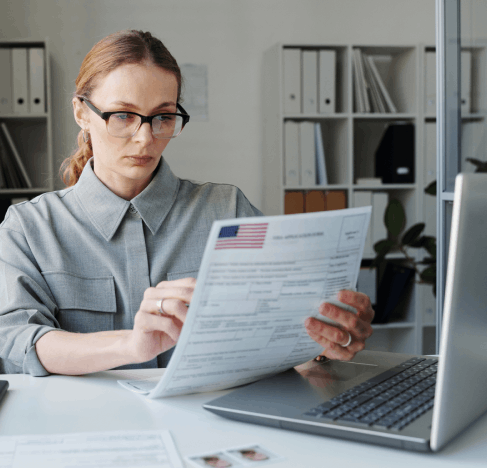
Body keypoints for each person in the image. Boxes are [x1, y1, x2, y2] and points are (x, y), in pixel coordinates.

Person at [0, 30, 374, 377]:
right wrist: (129, 344)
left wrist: (325, 340)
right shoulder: (28, 228)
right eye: (124, 115)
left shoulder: (226, 210)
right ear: (82, 112)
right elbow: (16, 341)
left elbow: (281, 327)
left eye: (163, 117)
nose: (145, 138)